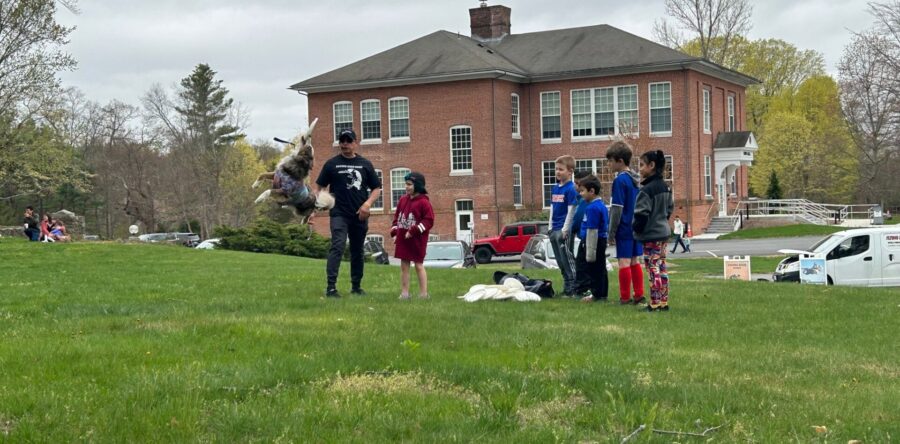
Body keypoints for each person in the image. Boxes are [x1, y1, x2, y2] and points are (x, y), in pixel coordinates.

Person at [313, 128, 382, 298]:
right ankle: (331, 288)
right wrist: (316, 205)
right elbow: (319, 187)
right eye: (342, 141)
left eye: (348, 141)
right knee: (337, 246)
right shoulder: (331, 164)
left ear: (355, 143)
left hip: (359, 214)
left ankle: (356, 287)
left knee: (357, 250)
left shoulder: (365, 164)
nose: (344, 144)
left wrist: (367, 204)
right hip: (339, 214)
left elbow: (376, 188)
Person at [634, 150, 674, 312]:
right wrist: (662, 220)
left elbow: (641, 214)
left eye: (642, 165)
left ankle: (654, 302)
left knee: (652, 268)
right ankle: (663, 301)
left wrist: (636, 229)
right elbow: (669, 209)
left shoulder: (646, 190)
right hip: (663, 233)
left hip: (651, 235)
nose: (640, 169)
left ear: (652, 166)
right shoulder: (665, 187)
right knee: (662, 266)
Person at [605, 141, 645, 305]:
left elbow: (617, 208)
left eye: (610, 161)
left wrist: (611, 231)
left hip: (624, 226)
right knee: (635, 261)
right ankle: (639, 294)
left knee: (624, 262)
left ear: (620, 161)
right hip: (637, 226)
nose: (609, 164)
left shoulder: (620, 181)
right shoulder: (636, 179)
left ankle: (625, 297)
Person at [390, 172, 435, 300]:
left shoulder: (424, 202)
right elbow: (397, 218)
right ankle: (404, 293)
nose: (406, 187)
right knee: (404, 265)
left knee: (418, 265)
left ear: (418, 186)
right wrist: (395, 233)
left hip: (417, 240)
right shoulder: (402, 200)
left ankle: (423, 294)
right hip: (403, 239)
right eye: (406, 184)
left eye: (409, 184)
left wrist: (414, 230)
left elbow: (429, 220)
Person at [574, 175, 609, 303]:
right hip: (599, 240)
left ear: (592, 191)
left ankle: (597, 294)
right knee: (600, 268)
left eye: (582, 190)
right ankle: (601, 294)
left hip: (593, 241)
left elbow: (592, 231)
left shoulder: (593, 208)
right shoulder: (600, 205)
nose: (581, 193)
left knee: (594, 269)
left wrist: (589, 251)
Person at [548, 155, 579, 296]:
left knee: (567, 260)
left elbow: (571, 211)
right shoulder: (555, 188)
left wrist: (565, 229)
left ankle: (573, 287)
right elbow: (552, 208)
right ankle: (566, 286)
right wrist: (549, 228)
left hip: (563, 230)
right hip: (554, 229)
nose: (558, 172)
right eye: (556, 169)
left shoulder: (571, 189)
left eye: (561, 169)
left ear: (570, 171)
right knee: (560, 261)